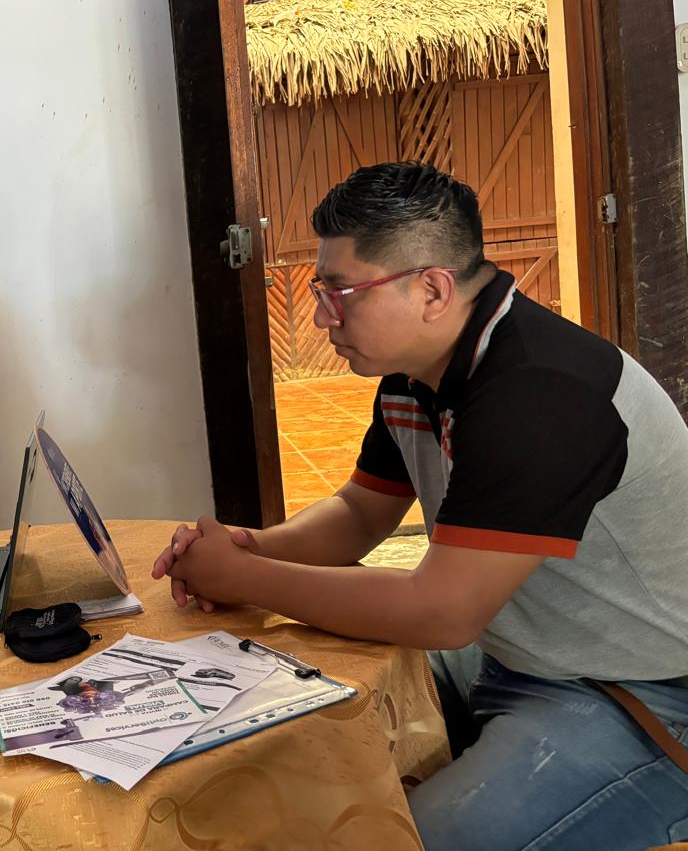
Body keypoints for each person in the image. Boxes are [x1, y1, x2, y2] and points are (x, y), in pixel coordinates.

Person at [152, 163, 688, 850]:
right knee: (285, 728)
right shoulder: (417, 375)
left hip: (642, 690)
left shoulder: (541, 396)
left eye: (340, 293)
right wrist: (249, 547)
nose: (320, 316)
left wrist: (247, 578)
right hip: (518, 652)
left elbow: (442, 613)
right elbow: (360, 513)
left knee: (399, 841)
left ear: (432, 289)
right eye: (320, 291)